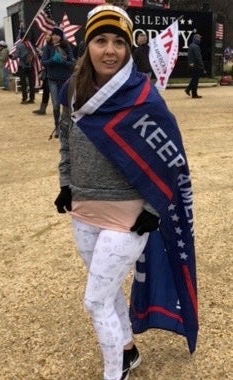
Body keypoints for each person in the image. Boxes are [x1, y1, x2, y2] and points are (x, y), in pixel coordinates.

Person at [54, 4, 197, 380]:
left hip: (129, 216)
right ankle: (129, 351)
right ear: (88, 45)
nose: (110, 50)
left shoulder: (144, 95)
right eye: (101, 40)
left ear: (128, 48)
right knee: (109, 291)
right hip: (84, 209)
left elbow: (170, 157)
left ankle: (114, 373)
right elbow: (66, 143)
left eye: (119, 41)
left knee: (94, 299)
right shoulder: (72, 90)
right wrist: (65, 185)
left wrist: (154, 204)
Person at [41, 26, 75, 138]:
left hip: (65, 80)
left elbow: (72, 63)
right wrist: (52, 60)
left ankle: (67, 127)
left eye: (57, 34)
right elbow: (44, 62)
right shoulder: (48, 47)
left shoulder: (66, 47)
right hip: (53, 80)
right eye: (54, 34)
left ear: (61, 36)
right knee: (56, 105)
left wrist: (62, 62)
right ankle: (57, 128)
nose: (55, 36)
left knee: (66, 106)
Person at [9, 33, 36, 104]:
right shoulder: (30, 44)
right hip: (30, 65)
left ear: (21, 37)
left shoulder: (19, 45)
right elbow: (34, 53)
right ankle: (32, 98)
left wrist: (11, 57)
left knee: (23, 83)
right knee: (31, 83)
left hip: (22, 66)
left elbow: (17, 55)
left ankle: (24, 98)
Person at [32, 32, 52, 115]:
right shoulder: (45, 47)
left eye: (48, 36)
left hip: (54, 73)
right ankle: (42, 109)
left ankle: (61, 110)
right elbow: (43, 60)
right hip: (47, 73)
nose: (46, 38)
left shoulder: (54, 47)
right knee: (46, 91)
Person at [185, 33, 206, 99]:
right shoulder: (196, 47)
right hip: (196, 66)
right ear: (196, 39)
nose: (200, 40)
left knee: (194, 79)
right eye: (199, 38)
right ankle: (194, 94)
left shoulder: (191, 46)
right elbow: (198, 57)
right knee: (195, 80)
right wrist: (202, 66)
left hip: (191, 65)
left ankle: (188, 89)